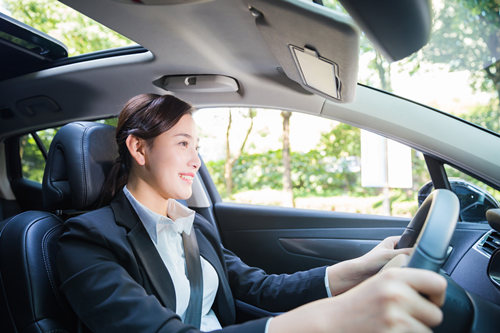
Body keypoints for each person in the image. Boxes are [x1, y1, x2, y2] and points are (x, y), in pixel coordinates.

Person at [57, 93, 447, 333]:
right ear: (139, 150)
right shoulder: (87, 241)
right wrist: (333, 319)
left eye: (197, 146)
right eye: (182, 143)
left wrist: (365, 265)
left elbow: (262, 288)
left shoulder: (193, 228)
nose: (196, 160)